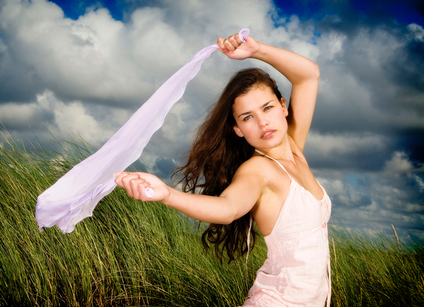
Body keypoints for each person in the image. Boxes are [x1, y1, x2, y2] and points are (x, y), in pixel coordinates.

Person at [114, 32, 331, 306]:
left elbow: (309, 75)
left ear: (283, 106)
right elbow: (228, 209)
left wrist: (257, 49)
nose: (263, 122)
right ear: (238, 130)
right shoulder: (258, 170)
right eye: (248, 117)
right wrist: (168, 194)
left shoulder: (294, 151)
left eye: (267, 108)